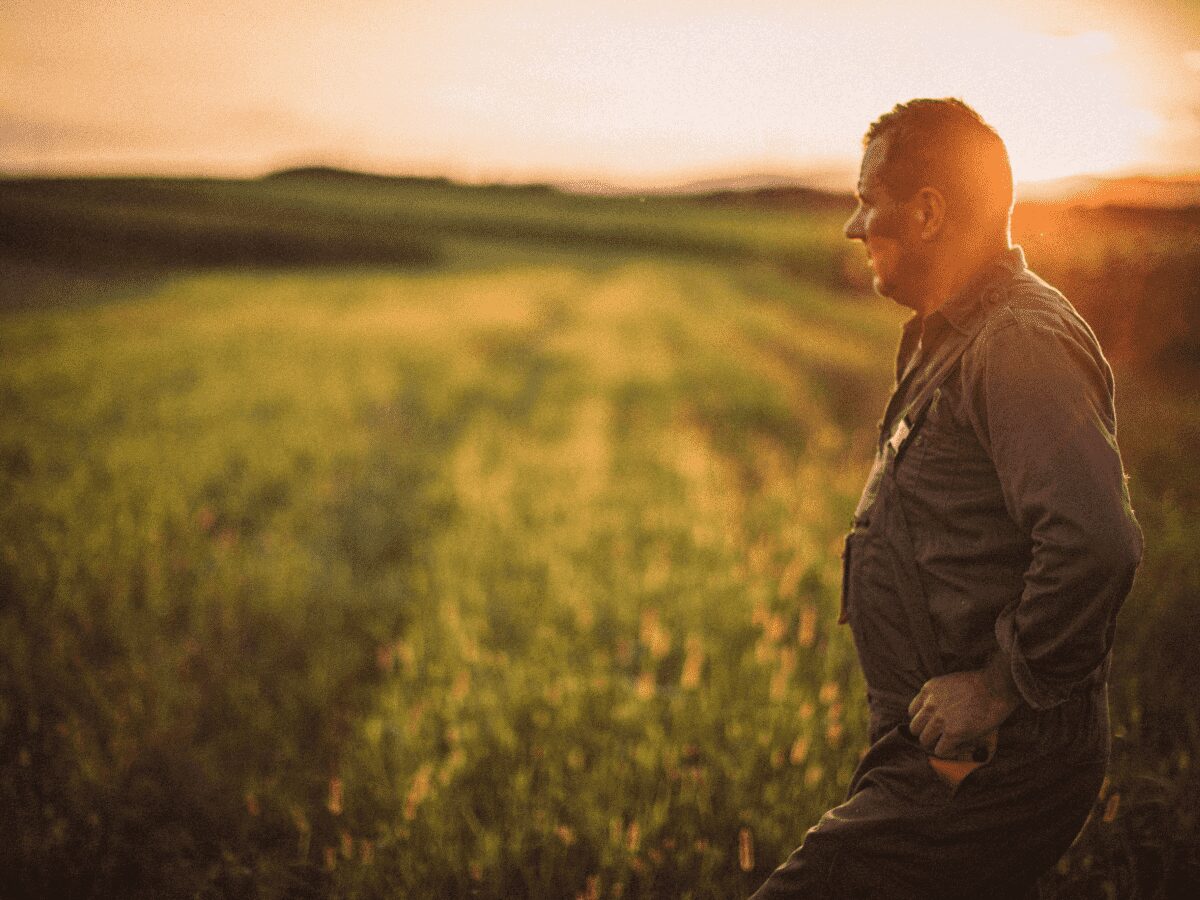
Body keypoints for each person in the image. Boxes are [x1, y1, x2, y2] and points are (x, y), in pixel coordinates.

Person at [750, 98, 1144, 899]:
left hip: (989, 761)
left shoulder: (1017, 342)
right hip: (940, 751)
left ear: (928, 211)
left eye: (869, 199)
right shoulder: (946, 334)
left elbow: (1096, 543)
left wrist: (995, 686)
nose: (854, 226)